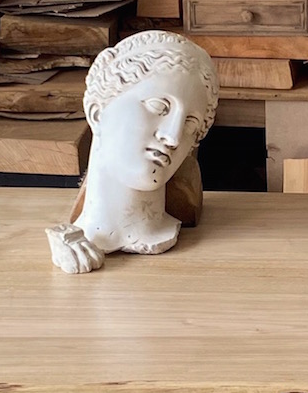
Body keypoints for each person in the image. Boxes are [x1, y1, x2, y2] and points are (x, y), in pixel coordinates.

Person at [48, 32, 219, 274]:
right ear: (98, 112)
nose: (173, 136)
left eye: (190, 123)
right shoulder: (69, 238)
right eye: (159, 107)